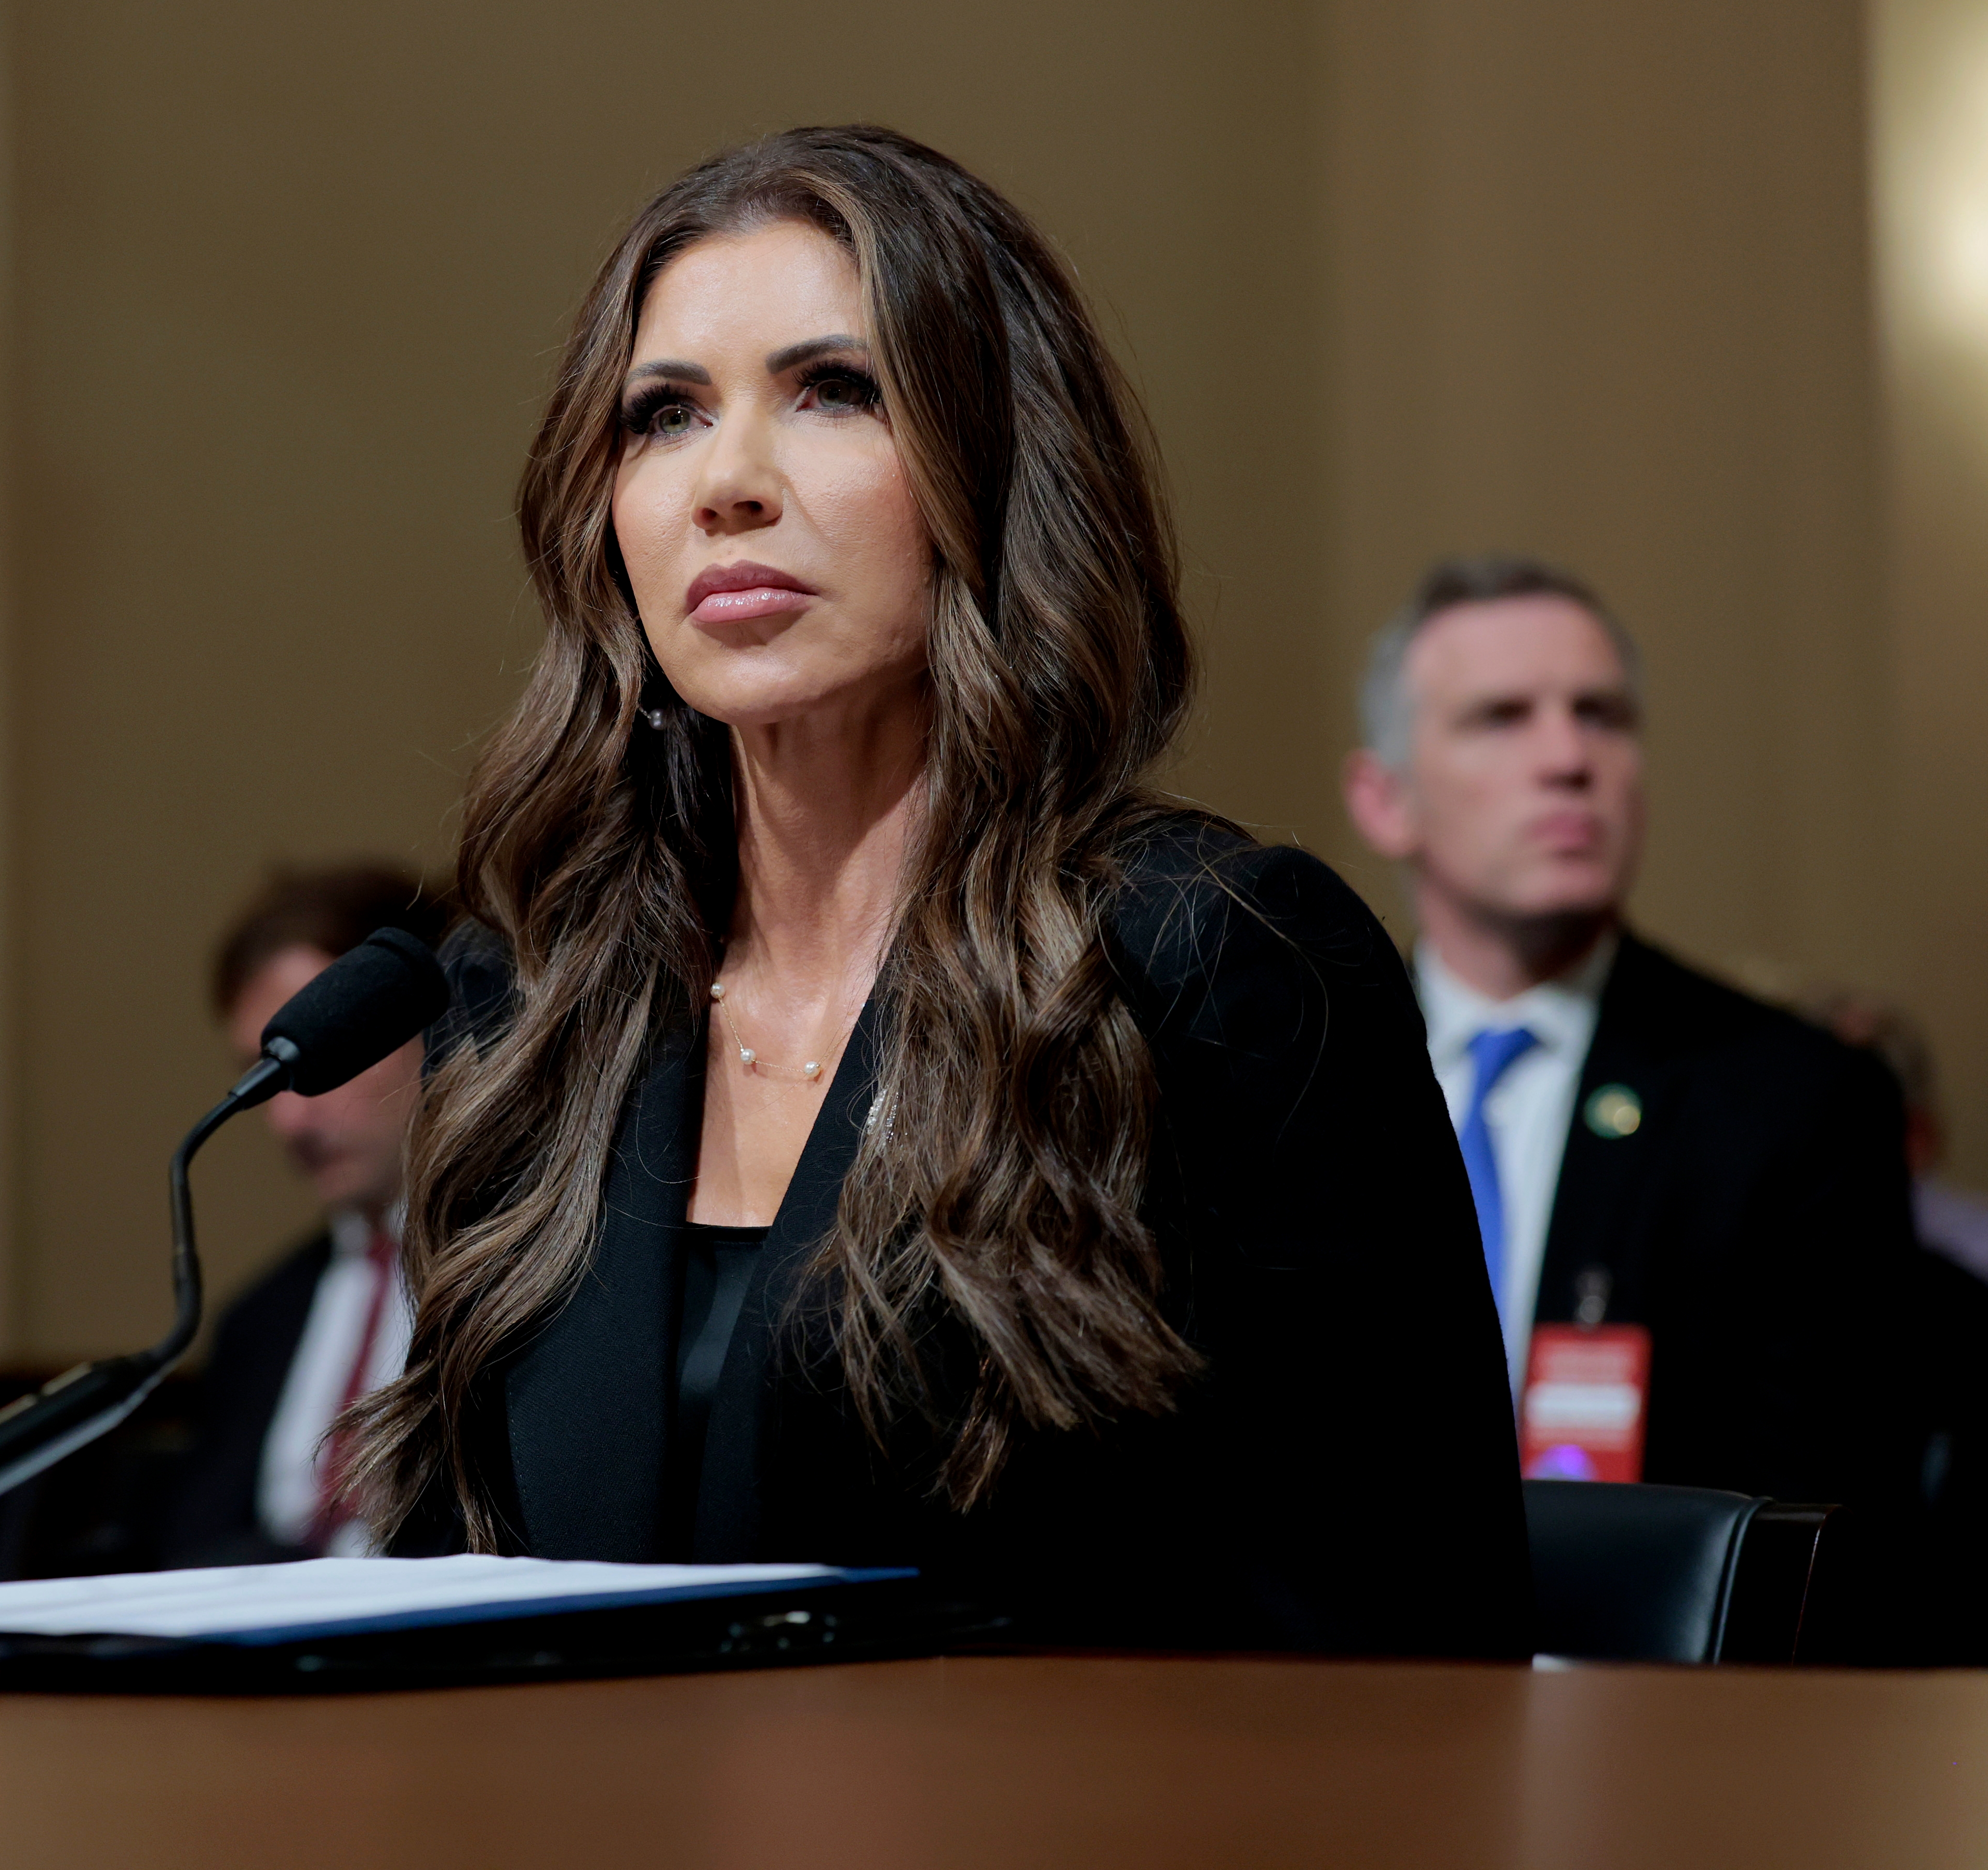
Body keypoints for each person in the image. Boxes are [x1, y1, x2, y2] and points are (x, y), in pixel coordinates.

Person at [343, 126, 1530, 1659]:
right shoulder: (532, 1009)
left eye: (834, 391)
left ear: (992, 463)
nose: (730, 484)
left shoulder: (1213, 964)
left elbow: (1413, 1639)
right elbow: (451, 1599)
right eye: (664, 416)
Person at [1340, 557, 1917, 1507]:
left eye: (1601, 715)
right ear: (1384, 800)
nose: (1569, 759)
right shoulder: (1306, 1084)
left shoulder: (1793, 1101)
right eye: (1502, 717)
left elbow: (1815, 1517)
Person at [152, 864, 456, 1565]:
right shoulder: (257, 1322)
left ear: (434, 1024)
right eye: (265, 1074)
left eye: (319, 1060)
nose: (289, 1118)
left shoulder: (534, 1281)